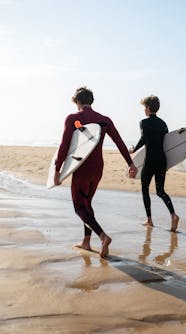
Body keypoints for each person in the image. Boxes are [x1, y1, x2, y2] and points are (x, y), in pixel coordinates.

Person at [54, 87, 137, 257]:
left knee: (79, 207)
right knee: (87, 204)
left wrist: (57, 169)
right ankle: (86, 242)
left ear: (77, 101)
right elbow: (120, 142)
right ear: (91, 101)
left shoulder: (73, 118)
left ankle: (103, 236)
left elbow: (64, 146)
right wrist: (131, 164)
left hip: (82, 167)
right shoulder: (104, 120)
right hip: (98, 167)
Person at [129, 95, 179, 232]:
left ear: (148, 108)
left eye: (145, 107)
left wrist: (134, 149)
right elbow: (169, 143)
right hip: (162, 160)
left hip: (150, 160)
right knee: (160, 191)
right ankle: (173, 215)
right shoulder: (163, 124)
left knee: (145, 188)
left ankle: (149, 219)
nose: (144, 110)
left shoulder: (144, 122)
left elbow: (144, 138)